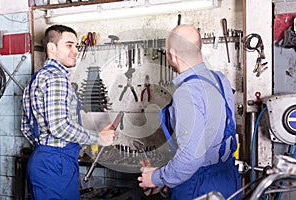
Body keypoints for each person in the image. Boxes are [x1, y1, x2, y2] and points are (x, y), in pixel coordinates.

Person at [137, 24, 241, 199]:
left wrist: (156, 178)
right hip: (227, 179)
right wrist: (167, 177)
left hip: (198, 185)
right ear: (199, 48)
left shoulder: (186, 93)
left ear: (172, 56)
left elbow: (191, 158)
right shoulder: (220, 79)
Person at [21, 25, 117, 200]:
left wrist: (45, 147)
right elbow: (59, 127)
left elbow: (26, 127)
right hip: (57, 164)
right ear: (51, 48)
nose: (75, 51)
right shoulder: (56, 79)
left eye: (76, 46)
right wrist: (98, 138)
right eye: (69, 45)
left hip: (44, 160)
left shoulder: (36, 78)